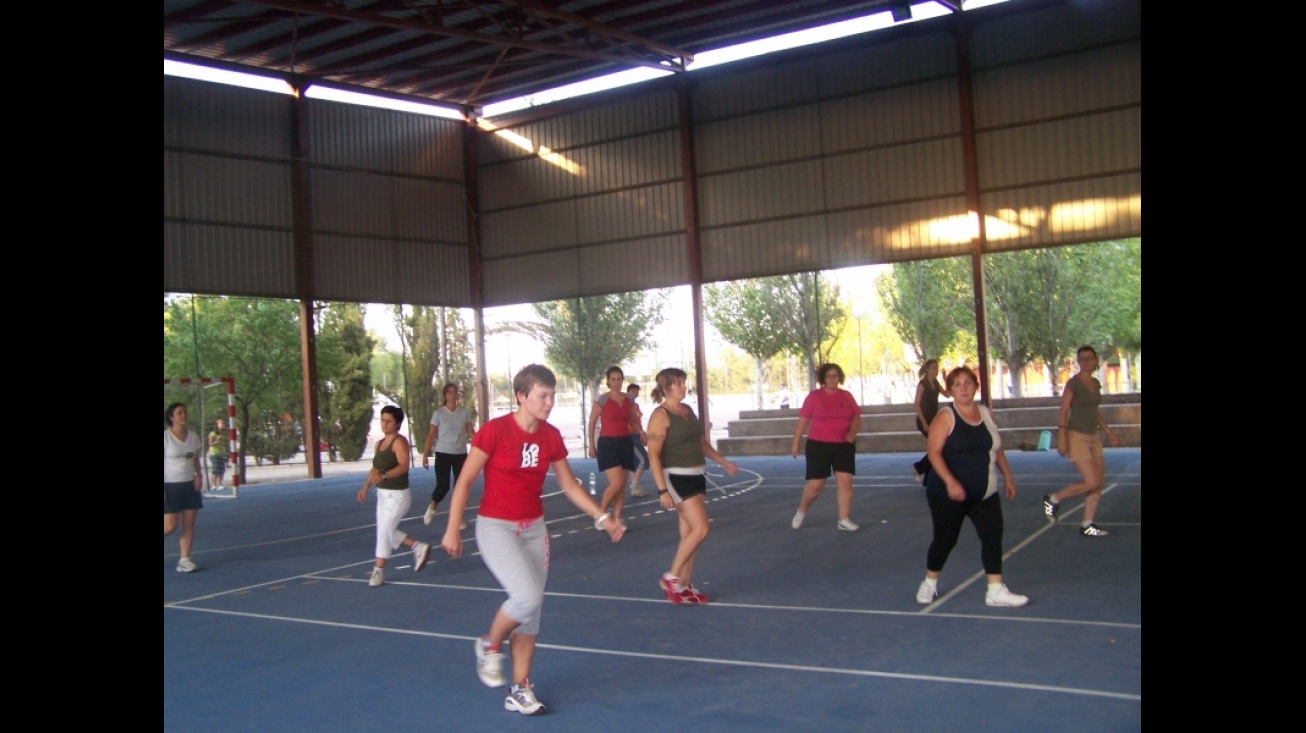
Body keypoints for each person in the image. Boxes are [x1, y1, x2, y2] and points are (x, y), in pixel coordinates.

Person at [441, 364, 624, 716]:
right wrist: (452, 527)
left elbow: (569, 485)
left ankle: (520, 689)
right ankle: (489, 644)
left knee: (531, 612)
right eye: (543, 396)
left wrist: (602, 518)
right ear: (521, 396)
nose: (550, 402)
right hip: (496, 527)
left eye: (553, 395)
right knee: (525, 596)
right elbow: (464, 481)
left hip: (534, 529)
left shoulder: (550, 436)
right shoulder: (494, 432)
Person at [915, 366, 1028, 608]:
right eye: (957, 384)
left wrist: (1007, 476)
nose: (963, 388)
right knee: (945, 539)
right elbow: (933, 454)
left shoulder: (986, 413)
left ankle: (995, 590)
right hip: (947, 493)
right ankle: (929, 583)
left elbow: (995, 448)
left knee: (992, 536)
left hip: (983, 491)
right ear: (951, 391)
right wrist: (951, 481)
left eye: (967, 382)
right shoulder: (946, 417)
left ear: (976, 386)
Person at [646, 368, 739, 604]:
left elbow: (702, 443)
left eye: (683, 382)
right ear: (666, 387)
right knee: (702, 528)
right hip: (676, 477)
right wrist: (662, 490)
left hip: (698, 474)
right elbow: (654, 455)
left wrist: (724, 462)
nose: (682, 386)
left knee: (689, 534)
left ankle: (684, 586)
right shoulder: (660, 415)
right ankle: (671, 577)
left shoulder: (687, 411)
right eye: (677, 383)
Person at [1043, 346, 1122, 537]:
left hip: (1093, 436)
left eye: (1090, 358)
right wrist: (1062, 437)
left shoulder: (1095, 383)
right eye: (1082, 359)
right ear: (1078, 362)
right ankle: (1053, 499)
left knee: (1098, 481)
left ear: (1096, 361)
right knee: (1091, 480)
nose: (1086, 361)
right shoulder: (1073, 384)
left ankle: (1088, 524)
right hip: (1076, 436)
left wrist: (1108, 432)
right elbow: (1063, 411)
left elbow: (1094, 410)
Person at [355, 405, 431, 588]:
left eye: (389, 420)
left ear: (397, 423)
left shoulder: (399, 442)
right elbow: (375, 468)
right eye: (382, 419)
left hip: (398, 496)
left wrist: (386, 475)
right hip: (382, 495)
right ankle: (417, 546)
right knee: (386, 531)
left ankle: (378, 571)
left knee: (384, 532)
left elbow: (404, 465)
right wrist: (365, 486)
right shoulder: (379, 444)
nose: (384, 423)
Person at [789, 363, 862, 531]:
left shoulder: (847, 396)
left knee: (846, 481)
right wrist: (795, 443)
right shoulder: (814, 397)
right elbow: (803, 421)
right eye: (829, 376)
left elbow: (857, 417)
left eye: (835, 375)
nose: (832, 379)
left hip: (844, 445)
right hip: (818, 445)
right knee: (816, 485)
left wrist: (852, 433)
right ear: (823, 379)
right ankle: (802, 510)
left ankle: (843, 519)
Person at [420, 382, 476, 528]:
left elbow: (471, 433)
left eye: (455, 392)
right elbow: (431, 435)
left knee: (460, 486)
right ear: (445, 395)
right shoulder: (439, 414)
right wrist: (425, 455)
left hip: (460, 454)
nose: (452, 394)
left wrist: (481, 446)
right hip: (443, 452)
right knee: (443, 485)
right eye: (449, 392)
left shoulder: (463, 413)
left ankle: (457, 518)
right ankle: (432, 506)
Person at [587, 366, 637, 528]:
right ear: (608, 382)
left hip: (625, 443)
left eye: (619, 379)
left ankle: (617, 518)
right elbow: (592, 422)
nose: (616, 382)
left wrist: (642, 432)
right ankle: (600, 515)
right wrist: (591, 445)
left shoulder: (629, 400)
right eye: (613, 379)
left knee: (621, 486)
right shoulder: (602, 400)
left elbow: (633, 420)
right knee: (615, 484)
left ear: (623, 380)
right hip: (607, 444)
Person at [164, 402, 204, 573]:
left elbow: (195, 459)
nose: (183, 415)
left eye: (185, 412)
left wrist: (199, 475)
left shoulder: (193, 437)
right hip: (170, 486)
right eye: (179, 413)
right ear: (171, 417)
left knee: (189, 524)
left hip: (189, 485)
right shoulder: (166, 437)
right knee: (170, 526)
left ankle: (185, 559)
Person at [911, 359, 951, 485]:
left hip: (934, 419)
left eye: (937, 368)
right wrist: (924, 423)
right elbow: (917, 405)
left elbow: (948, 394)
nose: (936, 370)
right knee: (938, 448)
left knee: (937, 448)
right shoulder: (922, 384)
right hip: (924, 419)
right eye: (933, 368)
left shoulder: (936, 383)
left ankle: (927, 479)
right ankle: (918, 467)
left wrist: (945, 379)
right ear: (927, 369)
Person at [626, 383, 649, 497]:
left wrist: (642, 433)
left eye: (637, 391)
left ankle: (635, 487)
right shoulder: (626, 405)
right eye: (633, 391)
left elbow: (637, 421)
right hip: (630, 435)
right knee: (643, 460)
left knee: (635, 462)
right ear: (628, 392)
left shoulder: (635, 405)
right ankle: (634, 485)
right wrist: (640, 432)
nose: (635, 393)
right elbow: (631, 422)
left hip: (636, 434)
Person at [207, 417, 229, 492]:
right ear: (217, 425)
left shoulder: (224, 434)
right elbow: (210, 444)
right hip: (214, 453)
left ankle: (220, 484)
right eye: (221, 423)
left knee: (221, 469)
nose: (223, 425)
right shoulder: (212, 434)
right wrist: (217, 441)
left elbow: (226, 443)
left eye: (223, 423)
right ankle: (213, 485)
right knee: (215, 469)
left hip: (221, 453)